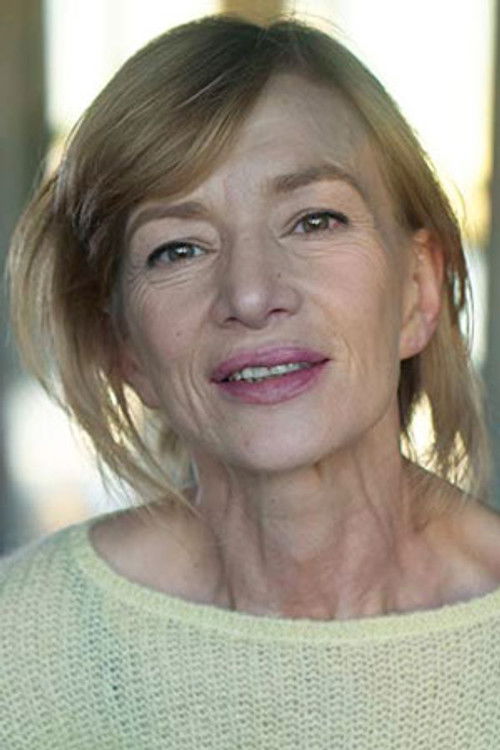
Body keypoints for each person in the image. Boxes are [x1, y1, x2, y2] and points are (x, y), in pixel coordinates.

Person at [2, 12, 500, 749]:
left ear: (416, 291)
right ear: (123, 345)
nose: (251, 294)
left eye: (314, 220)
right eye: (177, 249)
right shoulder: (22, 645)